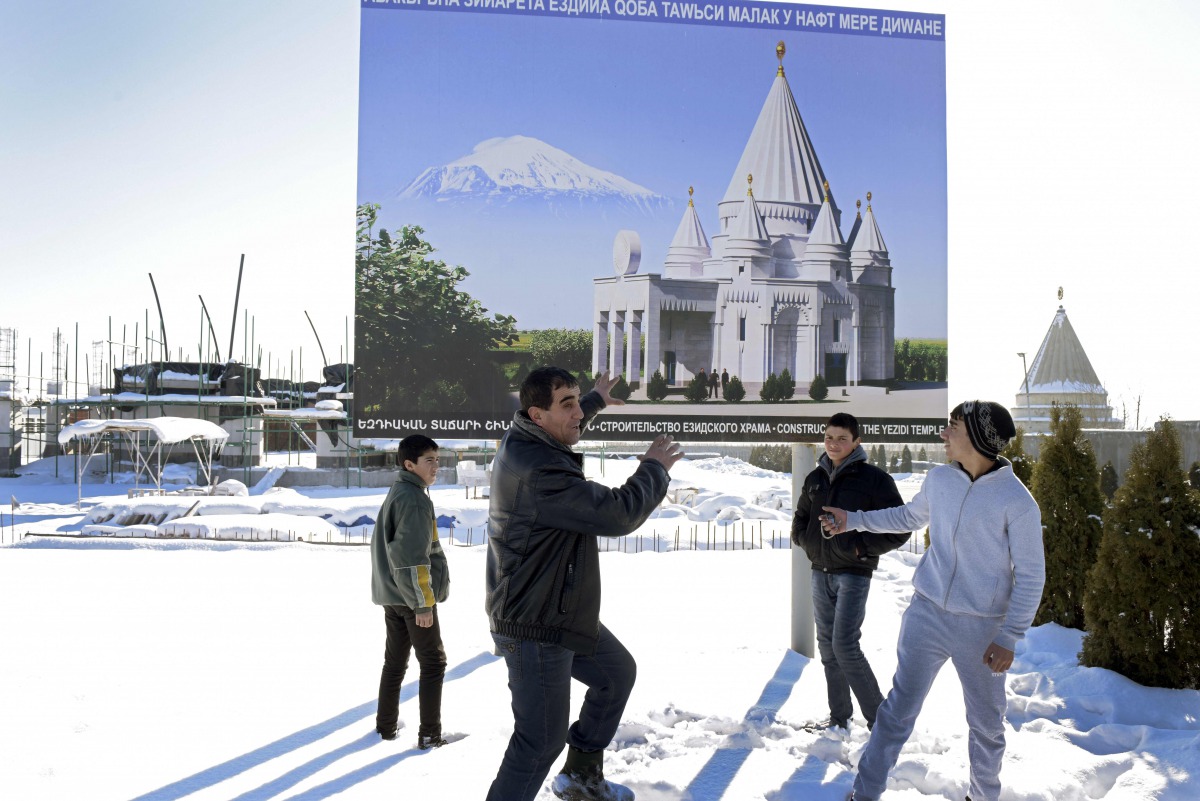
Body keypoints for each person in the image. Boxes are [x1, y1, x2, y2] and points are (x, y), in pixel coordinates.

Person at [821, 401, 1044, 801]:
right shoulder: (940, 479)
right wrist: (852, 519)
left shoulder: (1018, 501)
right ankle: (864, 793)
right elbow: (906, 518)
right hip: (927, 615)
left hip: (983, 630)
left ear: (976, 437)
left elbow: (1031, 575)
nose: (944, 433)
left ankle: (982, 796)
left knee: (987, 726)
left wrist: (1009, 635)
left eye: (953, 426)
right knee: (896, 713)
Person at [485, 367, 684, 801]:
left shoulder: (530, 436)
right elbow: (615, 514)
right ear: (538, 415)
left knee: (615, 675)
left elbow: (563, 423)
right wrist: (653, 469)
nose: (577, 412)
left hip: (559, 608)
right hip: (533, 622)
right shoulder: (540, 470)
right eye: (567, 404)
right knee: (539, 742)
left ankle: (580, 774)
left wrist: (592, 399)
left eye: (577, 400)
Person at [791, 413, 909, 732]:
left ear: (857, 442)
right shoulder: (815, 478)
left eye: (842, 438)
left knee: (845, 645)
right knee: (828, 648)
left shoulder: (875, 480)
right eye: (829, 437)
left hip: (854, 574)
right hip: (820, 572)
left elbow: (900, 529)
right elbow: (799, 520)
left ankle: (882, 722)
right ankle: (839, 719)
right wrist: (809, 544)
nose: (834, 444)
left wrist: (860, 548)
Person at [370, 434, 450, 749]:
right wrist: (423, 605)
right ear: (409, 464)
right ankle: (430, 734)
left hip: (393, 596)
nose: (436, 467)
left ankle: (385, 727)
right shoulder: (414, 499)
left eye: (438, 460)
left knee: (395, 662)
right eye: (429, 460)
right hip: (411, 599)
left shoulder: (400, 491)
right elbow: (410, 560)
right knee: (433, 663)